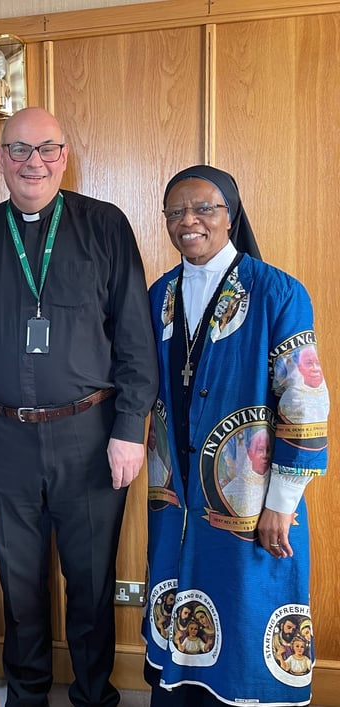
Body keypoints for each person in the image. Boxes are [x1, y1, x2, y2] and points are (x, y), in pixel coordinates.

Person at [0, 107, 158, 706]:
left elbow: (135, 336)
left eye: (46, 149)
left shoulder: (105, 226)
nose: (32, 162)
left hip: (90, 436)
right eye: (18, 150)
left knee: (89, 583)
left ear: (64, 156)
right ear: (0, 159)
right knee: (19, 583)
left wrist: (130, 427)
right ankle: (27, 695)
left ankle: (93, 696)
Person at [142, 165, 328, 706]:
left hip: (252, 497)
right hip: (176, 497)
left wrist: (282, 503)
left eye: (204, 208)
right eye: (175, 212)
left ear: (231, 216)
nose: (188, 221)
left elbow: (305, 401)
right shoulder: (159, 296)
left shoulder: (278, 292)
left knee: (248, 606)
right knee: (181, 603)